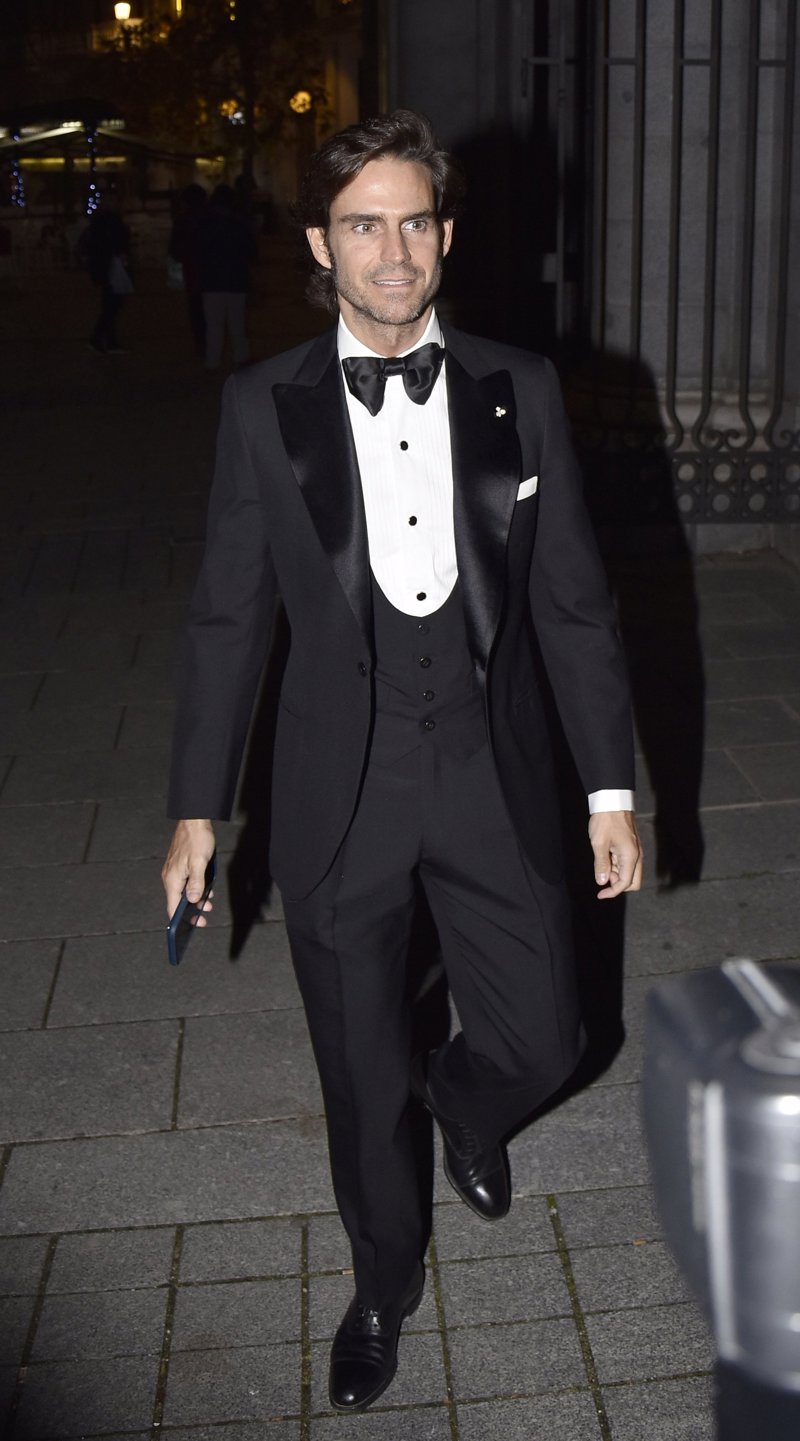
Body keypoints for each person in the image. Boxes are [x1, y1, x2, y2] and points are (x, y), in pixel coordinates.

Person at [162, 109, 643, 1413]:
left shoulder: (517, 386)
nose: (392, 251)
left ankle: (466, 1101)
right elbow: (227, 617)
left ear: (445, 233)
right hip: (340, 793)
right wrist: (198, 808)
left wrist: (608, 788)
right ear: (321, 243)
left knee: (550, 1034)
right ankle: (382, 1282)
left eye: (413, 221)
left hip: (490, 773)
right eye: (362, 225)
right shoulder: (262, 406)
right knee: (358, 1077)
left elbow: (574, 607)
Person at [197, 182, 257, 370]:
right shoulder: (239, 224)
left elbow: (198, 252)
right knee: (237, 323)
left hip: (212, 281)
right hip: (236, 280)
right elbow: (251, 251)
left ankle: (212, 361)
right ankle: (241, 356)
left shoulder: (206, 224)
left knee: (213, 324)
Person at [84, 191, 131, 355]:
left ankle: (107, 340)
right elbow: (115, 242)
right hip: (111, 266)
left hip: (105, 266)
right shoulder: (110, 221)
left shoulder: (100, 221)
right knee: (112, 305)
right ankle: (99, 339)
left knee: (111, 305)